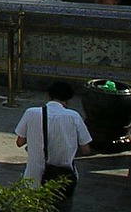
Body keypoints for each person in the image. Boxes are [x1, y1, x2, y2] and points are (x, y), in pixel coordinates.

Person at [15, 81, 92, 211]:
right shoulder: (74, 117)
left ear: (49, 96)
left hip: (34, 177)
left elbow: (19, 142)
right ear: (68, 99)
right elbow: (86, 149)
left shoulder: (31, 113)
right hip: (63, 180)